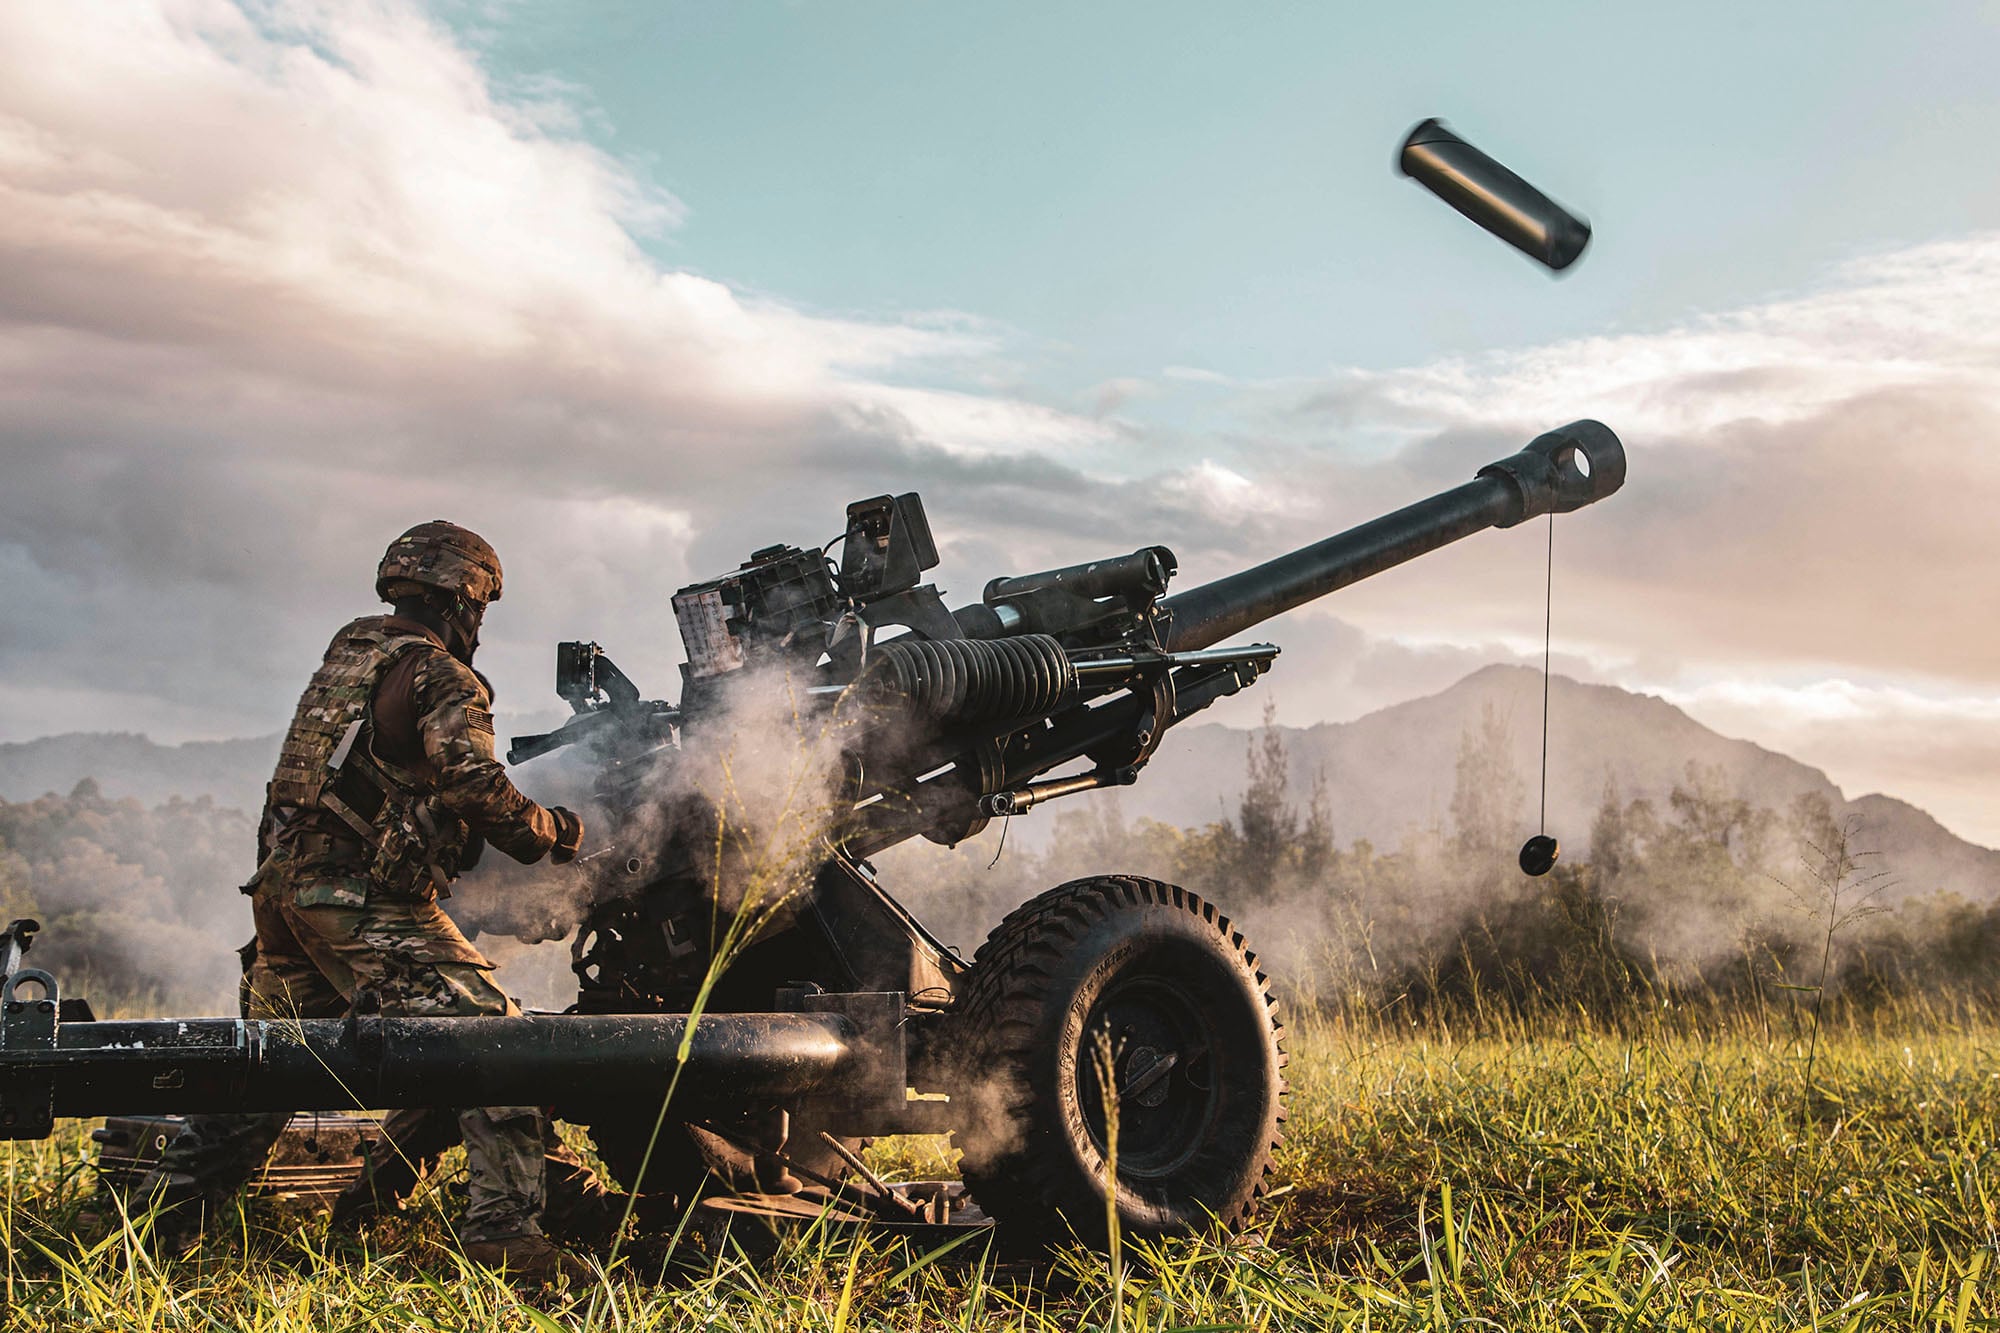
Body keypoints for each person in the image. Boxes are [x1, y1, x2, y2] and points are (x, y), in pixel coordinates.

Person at [139, 521, 591, 1282]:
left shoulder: (350, 654)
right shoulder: (443, 676)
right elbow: (473, 784)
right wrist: (552, 831)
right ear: (466, 599)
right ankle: (503, 1234)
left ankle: (157, 1229)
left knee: (267, 1072)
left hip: (284, 896)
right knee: (500, 1047)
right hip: (357, 900)